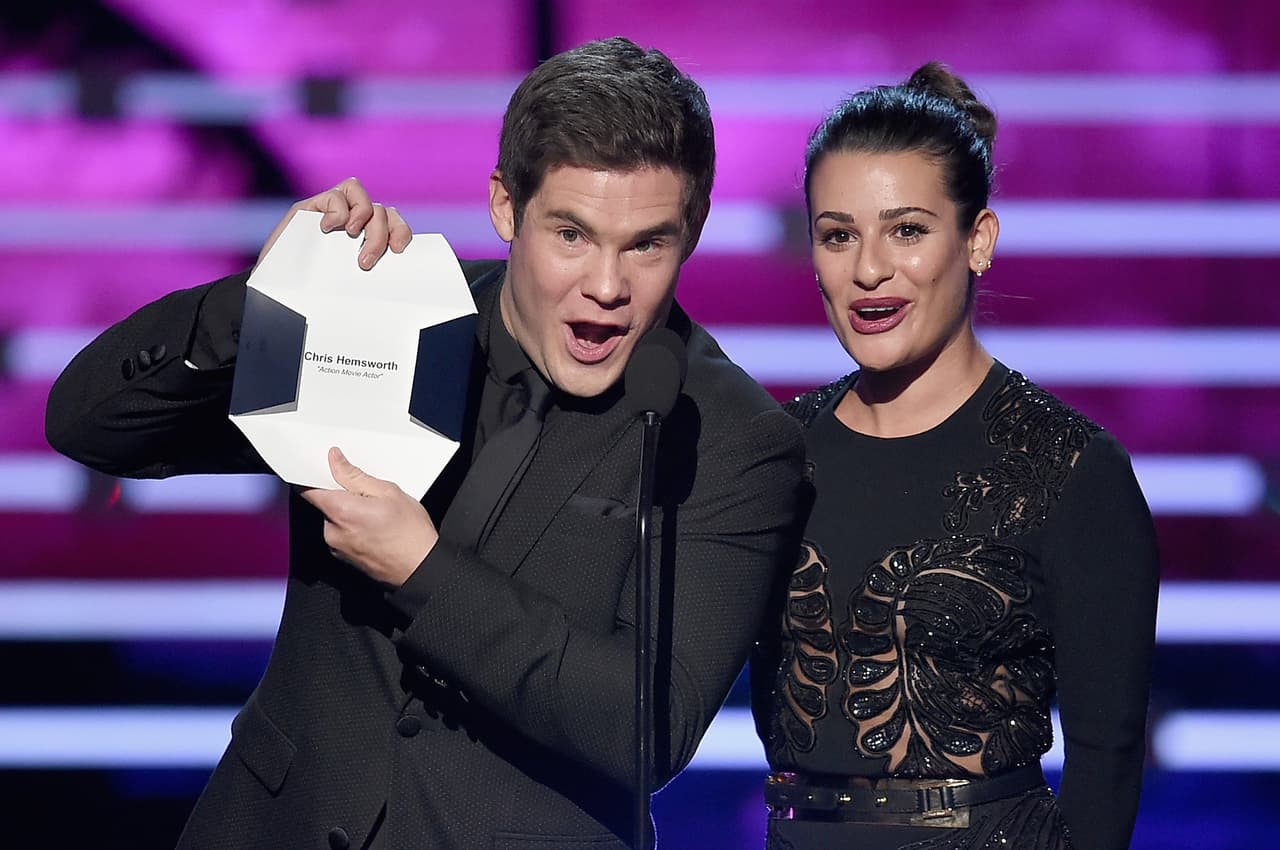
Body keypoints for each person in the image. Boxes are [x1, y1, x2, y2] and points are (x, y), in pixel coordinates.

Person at [46, 37, 805, 850]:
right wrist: (266, 300)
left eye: (646, 243)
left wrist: (423, 572)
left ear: (694, 229)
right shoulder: (390, 318)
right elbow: (92, 425)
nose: (607, 286)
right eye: (572, 235)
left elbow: (647, 729)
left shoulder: (730, 437)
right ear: (505, 206)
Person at [750, 63, 1159, 850]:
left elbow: (1107, 758)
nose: (869, 269)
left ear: (978, 241)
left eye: (907, 229)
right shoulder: (774, 452)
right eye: (838, 234)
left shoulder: (1070, 468)